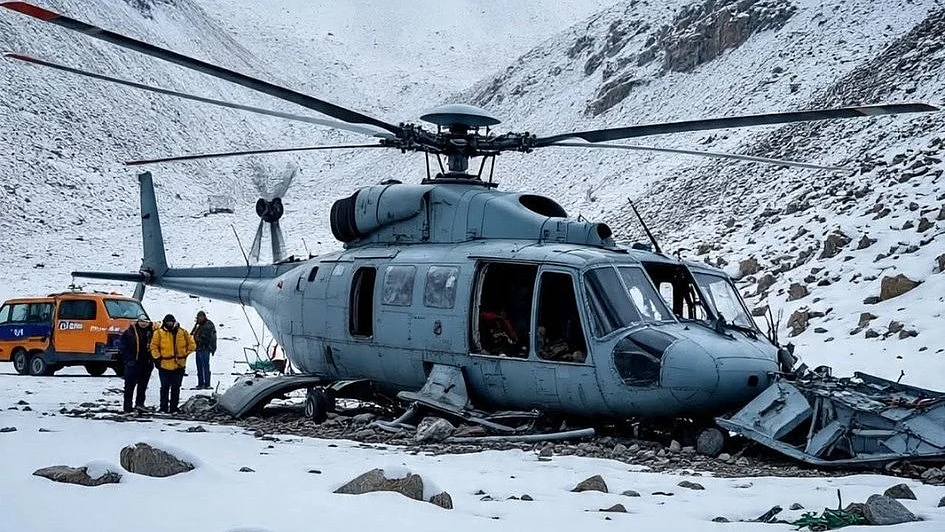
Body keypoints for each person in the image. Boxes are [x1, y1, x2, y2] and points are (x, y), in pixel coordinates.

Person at [150, 314, 196, 414]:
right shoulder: (159, 333)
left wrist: (185, 354)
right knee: (165, 387)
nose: (169, 323)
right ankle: (163, 407)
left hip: (179, 365)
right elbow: (153, 346)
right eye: (168, 322)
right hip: (164, 365)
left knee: (176, 387)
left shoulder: (182, 332)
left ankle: (174, 407)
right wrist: (157, 358)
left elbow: (192, 344)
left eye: (171, 321)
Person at [119, 314, 155, 413]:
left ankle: (140, 404)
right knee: (129, 386)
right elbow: (122, 346)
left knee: (142, 387)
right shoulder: (130, 332)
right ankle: (127, 407)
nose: (143, 324)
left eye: (145, 322)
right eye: (141, 321)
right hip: (133, 363)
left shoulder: (152, 332)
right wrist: (129, 359)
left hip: (146, 363)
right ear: (137, 321)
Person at [190, 310, 217, 389]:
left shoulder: (208, 324)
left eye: (200, 317)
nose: (199, 319)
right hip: (198, 348)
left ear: (204, 317)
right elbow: (192, 334)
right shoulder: (200, 325)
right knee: (199, 366)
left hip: (205, 348)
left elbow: (207, 337)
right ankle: (200, 383)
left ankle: (207, 384)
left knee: (205, 366)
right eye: (198, 317)